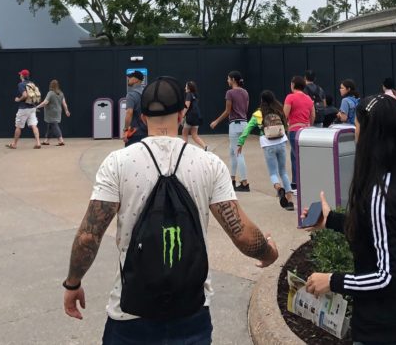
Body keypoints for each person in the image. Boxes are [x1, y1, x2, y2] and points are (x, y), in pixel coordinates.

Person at [61, 76, 278, 344]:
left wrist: (73, 282)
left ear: (142, 117)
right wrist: (268, 252)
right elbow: (242, 234)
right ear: (182, 113)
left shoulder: (117, 163)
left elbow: (88, 236)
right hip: (191, 316)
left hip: (130, 315)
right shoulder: (209, 164)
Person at [302, 94, 396, 345]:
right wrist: (331, 220)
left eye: (357, 124)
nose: (354, 130)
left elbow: (387, 277)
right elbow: (383, 232)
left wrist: (332, 280)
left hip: (390, 331)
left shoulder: (381, 193)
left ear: (369, 134)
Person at [237, 90, 296, 211]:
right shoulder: (279, 110)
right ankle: (290, 202)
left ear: (262, 100)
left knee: (273, 173)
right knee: (283, 172)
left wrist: (240, 143)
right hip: (281, 142)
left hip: (268, 144)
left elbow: (247, 129)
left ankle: (279, 189)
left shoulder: (258, 114)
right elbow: (286, 125)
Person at [209, 71, 251, 192]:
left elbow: (228, 111)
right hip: (244, 124)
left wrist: (216, 121)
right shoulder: (245, 92)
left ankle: (244, 183)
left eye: (228, 79)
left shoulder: (230, 93)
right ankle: (232, 180)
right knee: (233, 152)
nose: (227, 81)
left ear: (233, 79)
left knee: (238, 153)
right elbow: (246, 109)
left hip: (235, 125)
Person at [284, 76, 316, 191]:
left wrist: (285, 126)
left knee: (296, 157)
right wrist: (309, 126)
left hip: (294, 130)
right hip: (306, 131)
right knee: (299, 156)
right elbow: (313, 115)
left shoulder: (290, 97)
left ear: (293, 85)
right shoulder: (308, 99)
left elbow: (285, 114)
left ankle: (297, 185)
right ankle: (299, 182)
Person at [10, 69, 42, 150]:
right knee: (34, 125)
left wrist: (18, 99)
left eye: (20, 74)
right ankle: (38, 143)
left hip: (24, 108)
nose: (20, 75)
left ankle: (14, 144)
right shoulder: (32, 84)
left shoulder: (21, 84)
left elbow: (24, 95)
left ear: (22, 76)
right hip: (32, 108)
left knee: (18, 126)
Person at [39, 79, 70, 146]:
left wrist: (37, 107)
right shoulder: (61, 93)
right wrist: (66, 110)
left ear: (51, 85)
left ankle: (61, 140)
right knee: (50, 126)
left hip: (51, 112)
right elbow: (64, 103)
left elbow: (45, 102)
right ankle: (46, 141)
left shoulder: (50, 93)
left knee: (54, 125)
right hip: (58, 111)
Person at [121, 70, 146, 145]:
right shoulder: (147, 93)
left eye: (130, 77)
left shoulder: (131, 95)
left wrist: (125, 130)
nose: (128, 79)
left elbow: (129, 113)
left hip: (135, 133)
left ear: (136, 80)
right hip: (147, 132)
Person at [182, 81, 208, 150]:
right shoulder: (195, 95)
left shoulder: (188, 95)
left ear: (189, 88)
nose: (185, 88)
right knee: (194, 135)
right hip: (196, 117)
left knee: (184, 134)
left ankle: (184, 150)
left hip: (189, 118)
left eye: (186, 86)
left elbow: (186, 106)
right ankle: (205, 147)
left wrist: (182, 115)